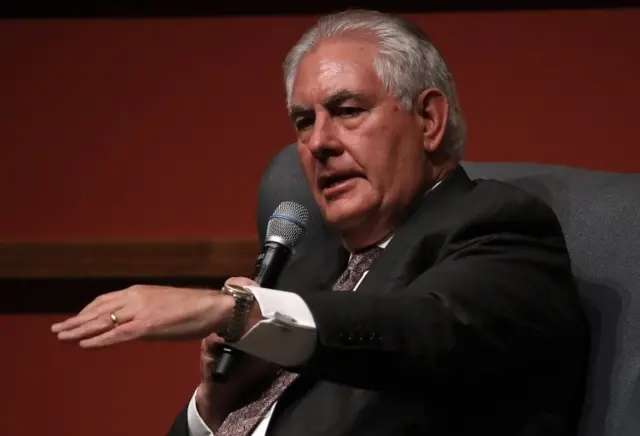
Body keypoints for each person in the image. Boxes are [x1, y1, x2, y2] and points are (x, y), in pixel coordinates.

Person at [51, 9, 590, 436]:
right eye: (304, 121)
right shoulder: (308, 267)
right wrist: (215, 406)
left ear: (428, 119)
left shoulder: (499, 229)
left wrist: (233, 311)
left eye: (348, 110)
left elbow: (424, 330)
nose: (318, 142)